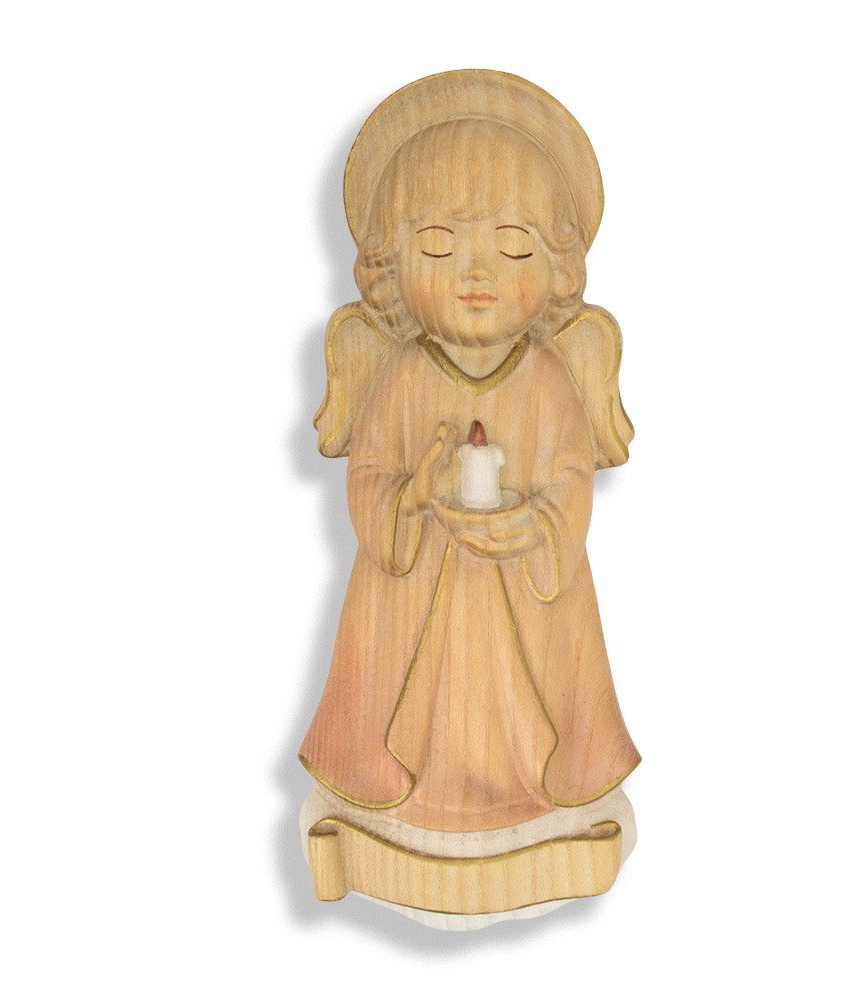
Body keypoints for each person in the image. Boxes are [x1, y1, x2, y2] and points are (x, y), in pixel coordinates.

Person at [300, 71, 639, 836]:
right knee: (419, 705)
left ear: (557, 265)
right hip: (413, 590)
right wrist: (410, 497)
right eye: (439, 246)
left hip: (524, 589)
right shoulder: (403, 375)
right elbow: (371, 475)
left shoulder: (547, 378)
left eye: (512, 246)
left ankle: (532, 801)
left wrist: (539, 524)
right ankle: (410, 803)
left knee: (522, 707)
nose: (476, 272)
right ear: (391, 265)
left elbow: (569, 477)